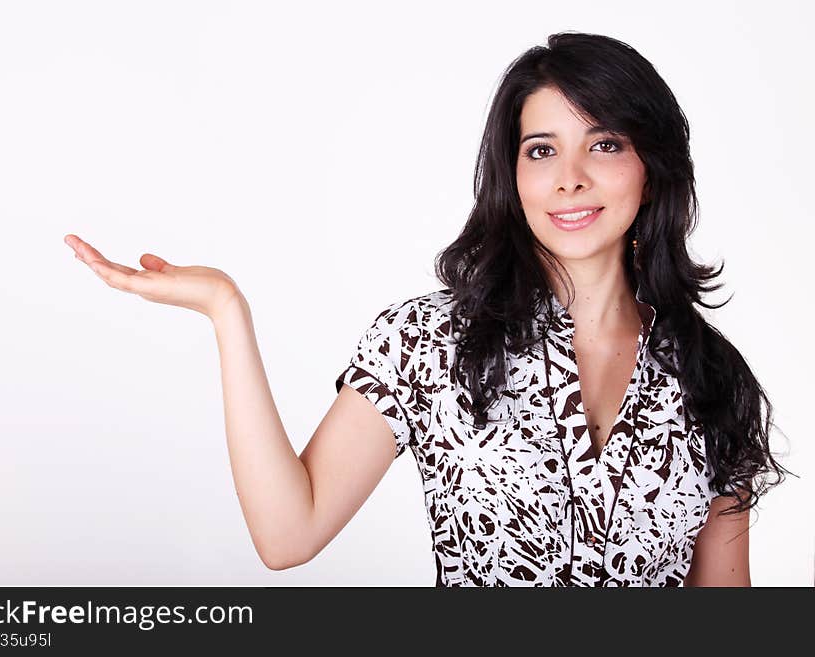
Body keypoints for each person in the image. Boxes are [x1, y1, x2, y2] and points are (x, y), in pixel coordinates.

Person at [64, 31, 788, 586]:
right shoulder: (430, 341)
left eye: (604, 143)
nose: (570, 179)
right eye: (541, 150)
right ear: (512, 175)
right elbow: (288, 534)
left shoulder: (714, 379)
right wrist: (226, 310)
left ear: (652, 169)